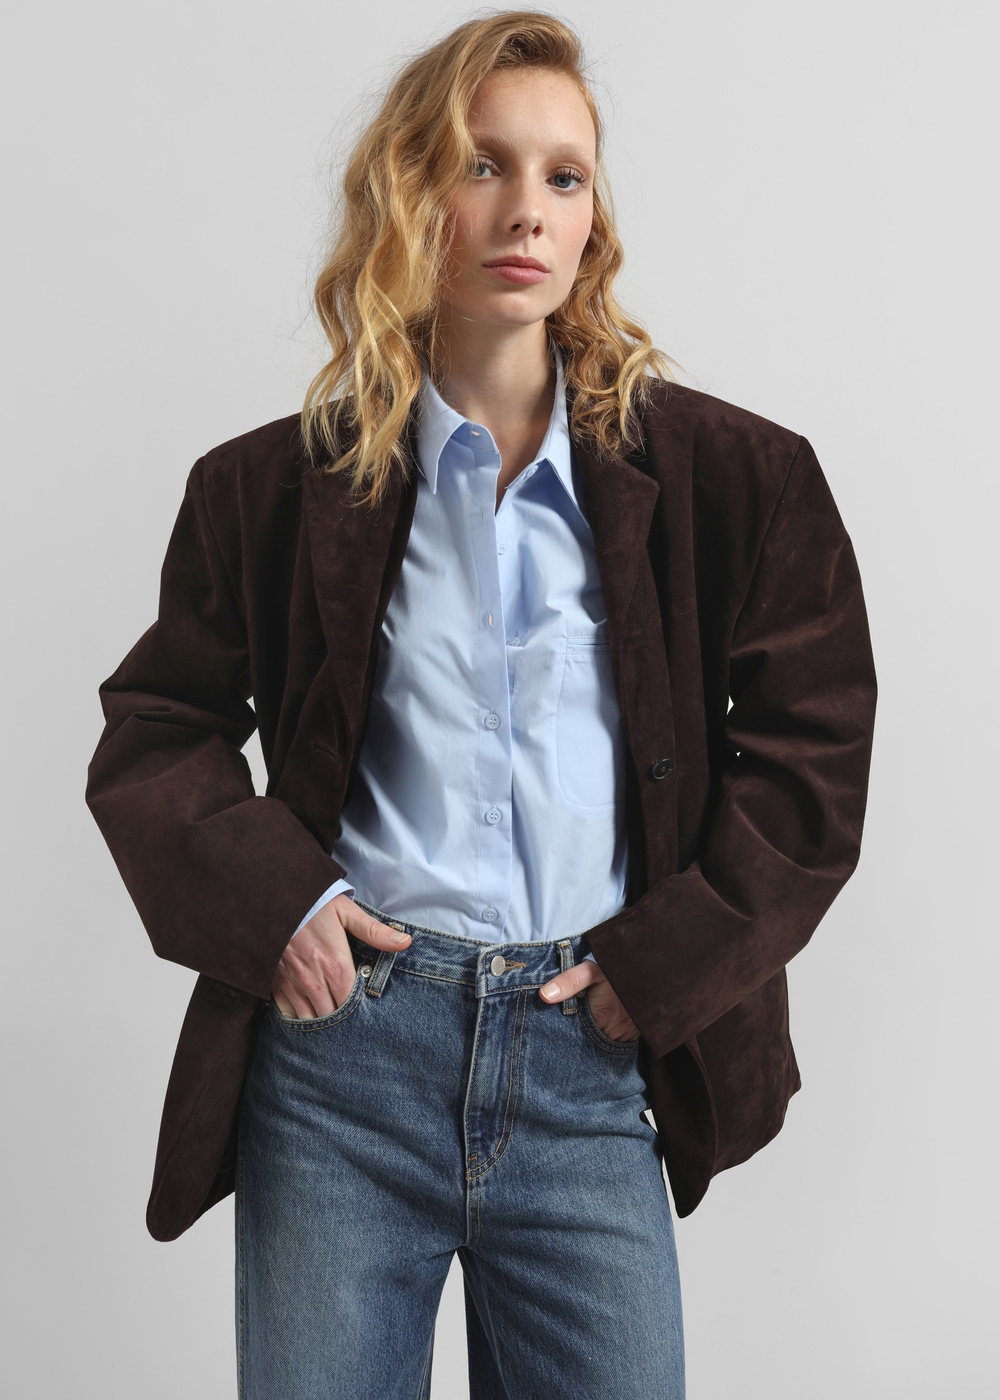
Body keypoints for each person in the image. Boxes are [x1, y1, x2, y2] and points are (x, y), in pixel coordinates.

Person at [86, 11, 876, 1399]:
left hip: (588, 1062)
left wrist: (664, 964)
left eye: (565, 176)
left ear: (593, 217)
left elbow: (814, 761)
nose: (527, 211)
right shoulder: (267, 489)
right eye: (482, 164)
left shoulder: (738, 480)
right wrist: (280, 905)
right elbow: (159, 730)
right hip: (342, 1070)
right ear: (409, 193)